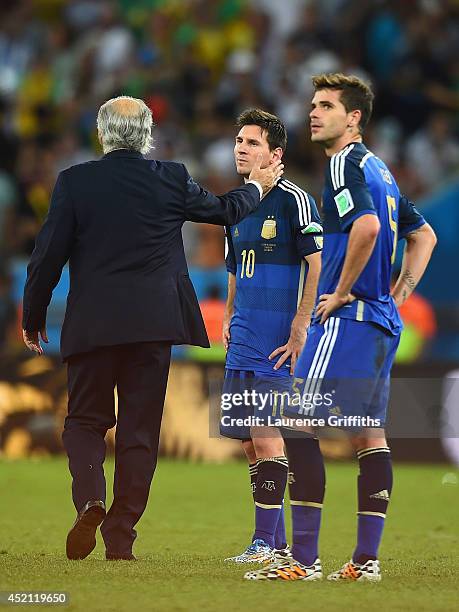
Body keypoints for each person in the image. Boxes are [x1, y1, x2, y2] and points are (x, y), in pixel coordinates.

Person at [21, 96, 283, 561]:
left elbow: (47, 257)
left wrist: (33, 314)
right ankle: (120, 539)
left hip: (94, 324)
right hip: (152, 324)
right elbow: (223, 211)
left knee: (84, 422)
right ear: (146, 136)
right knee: (139, 432)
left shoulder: (74, 182)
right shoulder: (171, 178)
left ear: (101, 135)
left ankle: (90, 501)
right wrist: (259, 186)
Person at [245, 73, 436, 582]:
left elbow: (369, 228)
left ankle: (303, 562)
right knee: (367, 435)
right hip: (379, 322)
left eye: (326, 106)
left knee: (296, 424)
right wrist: (394, 298)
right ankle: (365, 561)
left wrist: (346, 289)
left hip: (346, 320)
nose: (313, 113)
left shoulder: (342, 164)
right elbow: (424, 237)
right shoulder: (383, 171)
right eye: (312, 105)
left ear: (353, 119)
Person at [220, 109, 322, 563]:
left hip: (278, 341)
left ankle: (263, 544)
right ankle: (275, 542)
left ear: (275, 153)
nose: (241, 148)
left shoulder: (295, 200)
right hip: (242, 337)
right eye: (239, 141)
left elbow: (316, 265)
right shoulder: (235, 204)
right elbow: (232, 268)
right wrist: (227, 316)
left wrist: (302, 326)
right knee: (247, 440)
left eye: (252, 142)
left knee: (266, 434)